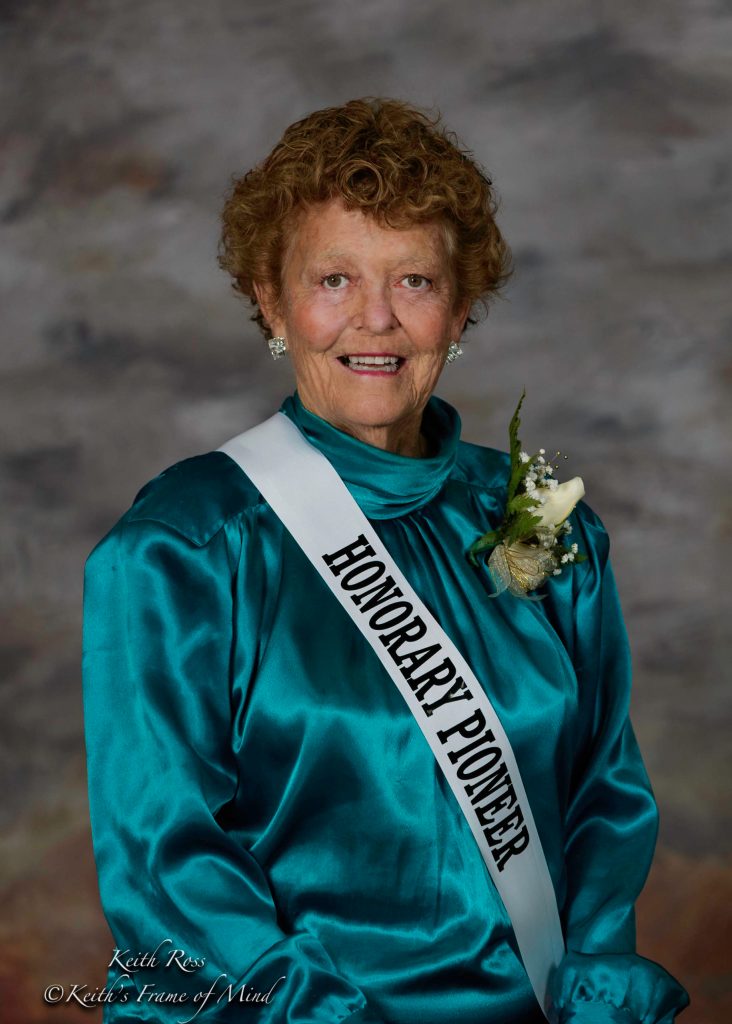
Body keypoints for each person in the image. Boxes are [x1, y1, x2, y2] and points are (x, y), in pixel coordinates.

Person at [81, 98, 690, 1024]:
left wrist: (597, 985)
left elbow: (603, 789)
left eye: (413, 280)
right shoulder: (182, 553)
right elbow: (170, 871)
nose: (376, 321)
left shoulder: (541, 521)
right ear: (269, 298)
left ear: (461, 307)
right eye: (334, 279)